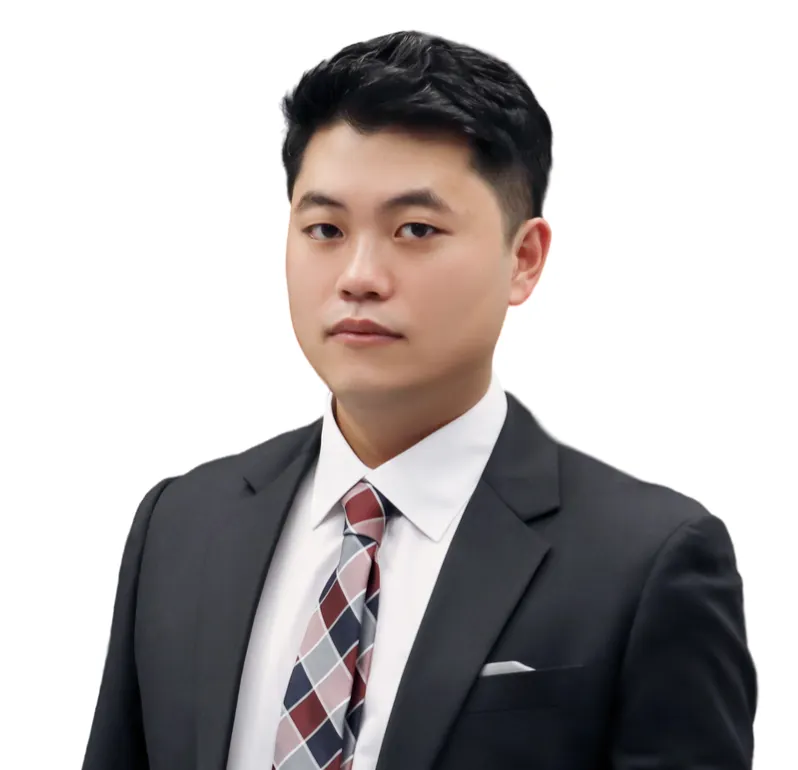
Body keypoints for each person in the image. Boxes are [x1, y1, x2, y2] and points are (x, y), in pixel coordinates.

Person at [81, 29, 757, 770]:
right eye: (325, 229)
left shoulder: (647, 561)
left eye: (415, 229)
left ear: (523, 259)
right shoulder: (180, 526)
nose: (359, 276)